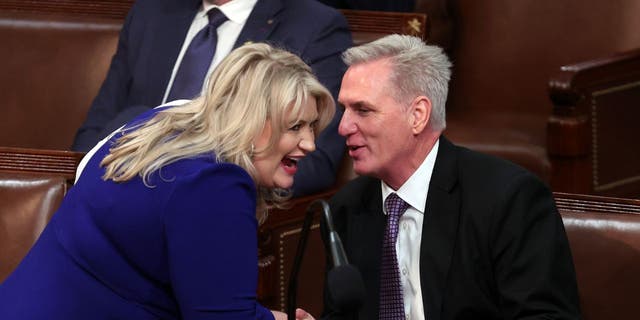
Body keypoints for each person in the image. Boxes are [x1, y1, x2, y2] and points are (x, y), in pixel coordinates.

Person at [0, 43, 334, 320]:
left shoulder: (164, 123)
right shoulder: (214, 184)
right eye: (295, 128)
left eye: (312, 128)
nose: (310, 144)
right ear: (251, 121)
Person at [298, 35, 582, 319]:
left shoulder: (508, 200)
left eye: (363, 110)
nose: (344, 127)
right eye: (345, 110)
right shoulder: (347, 208)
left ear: (418, 115)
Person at [72, 0, 353, 196]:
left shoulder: (315, 26)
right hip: (122, 192)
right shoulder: (151, 11)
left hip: (214, 204)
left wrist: (199, 191)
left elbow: (315, 164)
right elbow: (94, 133)